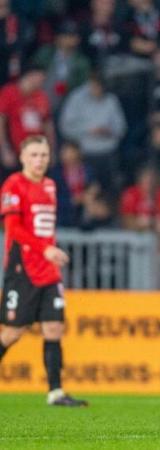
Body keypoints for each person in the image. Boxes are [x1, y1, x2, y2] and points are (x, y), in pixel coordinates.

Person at [0, 135, 87, 407]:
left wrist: (50, 251)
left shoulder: (50, 185)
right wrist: (45, 249)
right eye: (34, 155)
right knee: (13, 332)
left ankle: (56, 392)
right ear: (23, 157)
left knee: (54, 327)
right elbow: (13, 229)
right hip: (22, 267)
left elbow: (43, 229)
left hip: (48, 269)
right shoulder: (14, 184)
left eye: (44, 155)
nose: (39, 160)